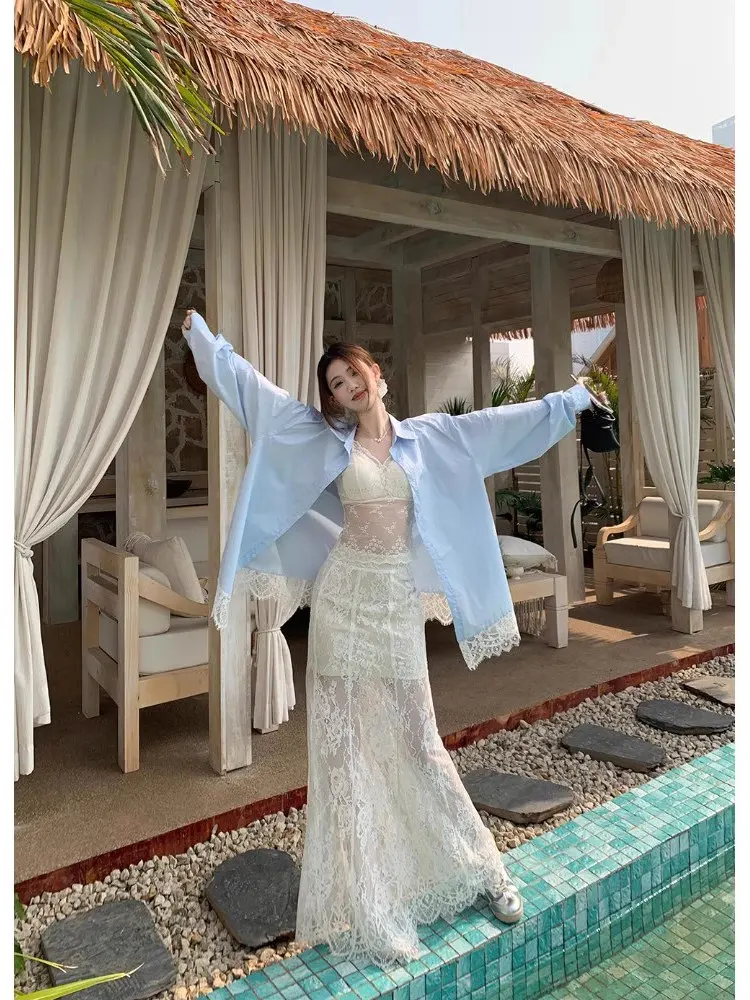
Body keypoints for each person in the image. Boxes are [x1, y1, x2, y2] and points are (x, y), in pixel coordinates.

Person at [182, 309, 594, 968]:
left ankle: (480, 870)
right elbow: (254, 394)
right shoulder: (323, 437)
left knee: (420, 743)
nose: (348, 387)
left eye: (353, 373)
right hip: (343, 602)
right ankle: (374, 905)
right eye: (336, 384)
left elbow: (501, 426)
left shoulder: (432, 437)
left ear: (375, 372)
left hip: (395, 604)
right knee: (345, 757)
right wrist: (204, 341)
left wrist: (568, 402)